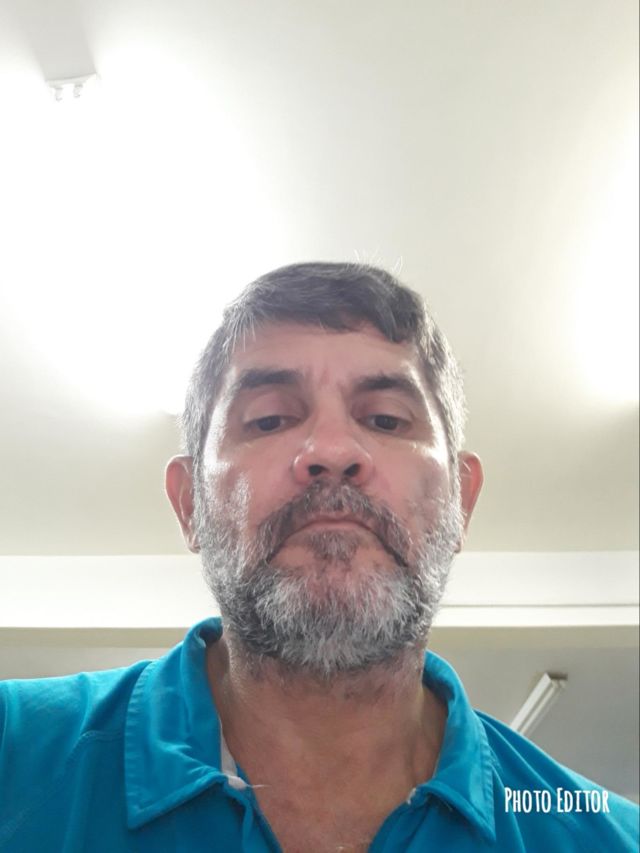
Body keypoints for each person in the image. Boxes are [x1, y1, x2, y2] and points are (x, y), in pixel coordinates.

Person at [0, 262, 637, 852]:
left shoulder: (610, 838)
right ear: (189, 502)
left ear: (461, 502)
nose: (331, 450)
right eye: (269, 419)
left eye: (386, 420)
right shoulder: (15, 753)